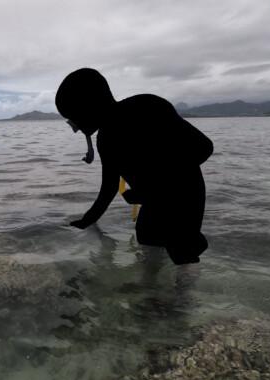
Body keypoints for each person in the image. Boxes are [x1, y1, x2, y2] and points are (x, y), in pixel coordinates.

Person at [55, 68, 213, 265]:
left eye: (74, 119)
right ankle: (152, 290)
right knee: (147, 239)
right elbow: (109, 187)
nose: (75, 128)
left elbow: (203, 148)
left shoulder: (147, 107)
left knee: (181, 251)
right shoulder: (106, 140)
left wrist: (152, 190)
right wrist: (87, 220)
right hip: (154, 200)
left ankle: (182, 293)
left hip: (184, 196)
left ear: (89, 107)